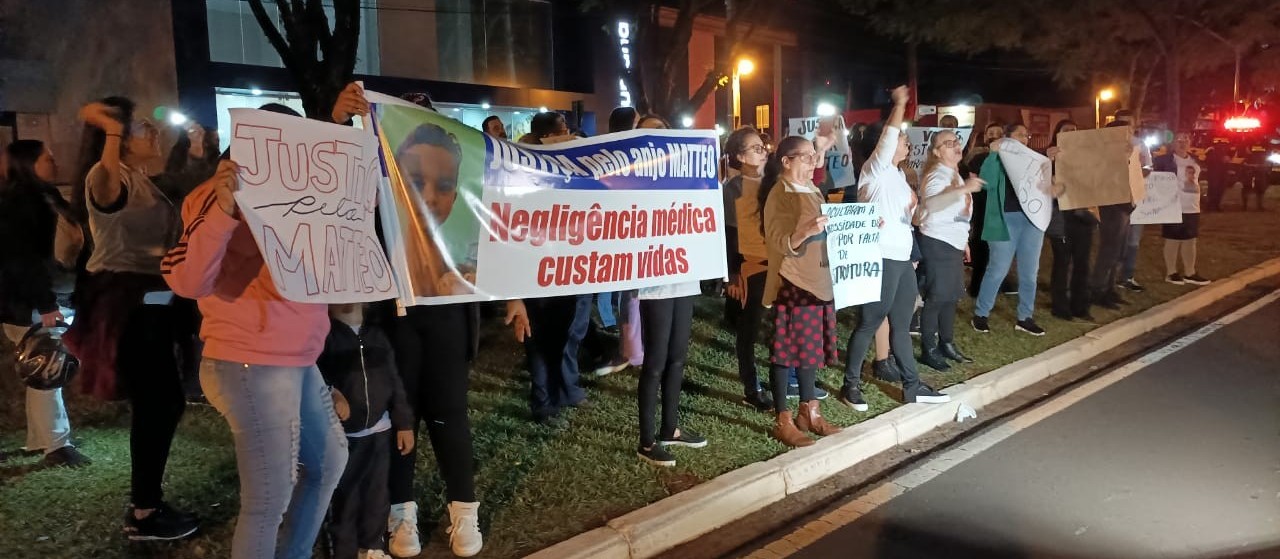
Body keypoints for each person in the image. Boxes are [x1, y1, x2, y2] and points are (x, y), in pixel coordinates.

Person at [160, 87, 369, 557]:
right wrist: (223, 210)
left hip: (296, 359)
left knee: (329, 460)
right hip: (248, 360)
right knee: (269, 495)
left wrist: (336, 125)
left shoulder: (297, 197)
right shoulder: (211, 197)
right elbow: (189, 281)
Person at [63, 97, 198, 541]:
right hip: (129, 308)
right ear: (117, 140)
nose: (153, 132)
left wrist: (195, 151)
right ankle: (144, 512)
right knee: (158, 403)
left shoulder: (142, 179)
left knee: (162, 402)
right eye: (143, 129)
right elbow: (105, 190)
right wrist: (111, 129)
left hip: (152, 304)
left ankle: (147, 503)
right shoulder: (107, 177)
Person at [384, 93, 485, 559]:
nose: (428, 196)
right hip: (394, 326)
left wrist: (512, 296)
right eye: (414, 179)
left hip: (446, 326)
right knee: (400, 422)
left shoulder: (461, 257)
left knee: (450, 417)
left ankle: (464, 510)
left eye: (444, 184)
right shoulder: (374, 240)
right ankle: (401, 512)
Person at [842, 86, 951, 407]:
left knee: (901, 326)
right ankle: (851, 386)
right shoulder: (874, 170)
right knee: (870, 322)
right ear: (882, 146)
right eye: (903, 139)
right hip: (881, 257)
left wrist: (919, 209)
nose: (906, 142)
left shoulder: (898, 176)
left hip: (902, 258)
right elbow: (890, 134)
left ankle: (913, 385)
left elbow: (909, 217)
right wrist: (900, 104)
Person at [0, 140, 89, 469]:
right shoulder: (21, 202)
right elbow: (22, 259)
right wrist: (46, 302)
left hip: (50, 296)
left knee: (43, 369)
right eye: (47, 157)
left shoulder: (45, 197)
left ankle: (42, 439)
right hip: (33, 302)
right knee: (47, 367)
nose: (54, 161)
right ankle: (55, 445)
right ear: (29, 163)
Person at [759, 135, 843, 447]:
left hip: (819, 283)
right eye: (806, 157)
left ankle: (810, 411)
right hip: (794, 283)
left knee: (810, 351)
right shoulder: (780, 193)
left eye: (814, 156)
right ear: (786, 161)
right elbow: (778, 240)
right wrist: (805, 231)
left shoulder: (812, 189)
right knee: (786, 352)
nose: (814, 162)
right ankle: (783, 419)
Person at [320, 303, 415, 559]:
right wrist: (332, 394)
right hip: (343, 437)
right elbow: (315, 377)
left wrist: (404, 422)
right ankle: (345, 551)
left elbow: (394, 381)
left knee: (377, 495)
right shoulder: (323, 336)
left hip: (379, 432)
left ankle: (372, 547)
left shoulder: (378, 335)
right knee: (345, 498)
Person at [971, 123, 1047, 336]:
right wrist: (995, 155)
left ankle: (1025, 317)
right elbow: (987, 182)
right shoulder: (999, 157)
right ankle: (981, 314)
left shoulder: (1034, 160)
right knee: (998, 269)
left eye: (1026, 135)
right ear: (1007, 138)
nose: (1024, 139)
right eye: (1019, 135)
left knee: (1030, 272)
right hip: (1005, 219)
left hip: (1032, 220)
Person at [916, 130, 983, 371]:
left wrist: (963, 241)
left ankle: (947, 343)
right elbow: (933, 205)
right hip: (937, 242)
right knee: (936, 298)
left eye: (957, 141)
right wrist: (963, 189)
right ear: (936, 152)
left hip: (952, 243)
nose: (956, 146)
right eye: (948, 143)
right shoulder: (937, 175)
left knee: (951, 297)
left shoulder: (953, 173)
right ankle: (929, 349)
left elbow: (956, 214)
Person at [722, 126, 776, 411]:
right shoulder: (734, 189)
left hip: (778, 264)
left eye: (763, 147)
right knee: (749, 330)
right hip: (751, 268)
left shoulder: (773, 180)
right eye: (755, 148)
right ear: (740, 156)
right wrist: (732, 274)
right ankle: (751, 387)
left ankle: (785, 378)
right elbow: (730, 235)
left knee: (779, 326)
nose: (763, 152)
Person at [592, 107, 646, 377]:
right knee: (631, 295)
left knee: (638, 296)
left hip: (645, 235)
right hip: (623, 235)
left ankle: (636, 348)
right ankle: (630, 350)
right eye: (639, 123)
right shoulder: (611, 156)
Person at [1044, 120, 1097, 321]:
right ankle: (1060, 306)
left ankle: (1080, 306)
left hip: (1084, 215)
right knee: (1062, 262)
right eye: (1066, 130)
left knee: (1082, 263)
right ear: (1057, 133)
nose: (1071, 133)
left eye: (1075, 130)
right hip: (1061, 217)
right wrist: (1047, 160)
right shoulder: (1047, 157)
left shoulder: (1087, 157)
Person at [1090, 120, 1144, 310]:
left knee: (1118, 251)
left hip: (1124, 206)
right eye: (1126, 131)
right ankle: (1097, 289)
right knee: (1109, 250)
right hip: (1111, 206)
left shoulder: (1127, 152)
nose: (1130, 135)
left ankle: (1109, 288)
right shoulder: (1105, 154)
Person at [1157, 131, 1211, 286]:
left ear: (1190, 143)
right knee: (1173, 240)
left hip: (1192, 207)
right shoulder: (1166, 161)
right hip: (1174, 205)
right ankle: (1171, 272)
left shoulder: (1195, 161)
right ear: (1173, 143)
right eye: (1179, 140)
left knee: (1190, 240)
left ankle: (1190, 272)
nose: (1182, 143)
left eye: (1185, 140)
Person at [963, 122, 1009, 298]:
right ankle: (976, 286)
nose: (995, 135)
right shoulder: (977, 158)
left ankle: (999, 282)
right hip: (983, 207)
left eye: (998, 132)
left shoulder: (1009, 157)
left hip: (1001, 208)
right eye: (991, 132)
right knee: (981, 247)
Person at [1114, 111, 1153, 294]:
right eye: (1120, 122)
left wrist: (1139, 173)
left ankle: (1127, 276)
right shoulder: (1110, 143)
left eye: (1128, 122)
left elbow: (1148, 166)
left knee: (1133, 240)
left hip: (1135, 198)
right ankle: (1111, 276)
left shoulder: (1140, 144)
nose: (1124, 125)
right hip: (1116, 199)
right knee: (1116, 239)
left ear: (1134, 124)